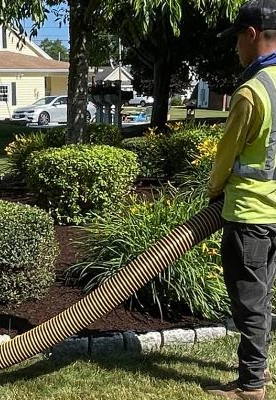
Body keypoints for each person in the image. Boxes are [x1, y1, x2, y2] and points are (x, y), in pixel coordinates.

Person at [205, 0, 276, 398]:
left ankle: (251, 385)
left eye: (237, 40)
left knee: (249, 303)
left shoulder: (252, 91)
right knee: (262, 297)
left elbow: (226, 155)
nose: (236, 48)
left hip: (249, 214)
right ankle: (259, 372)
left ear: (251, 35)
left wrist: (215, 191)